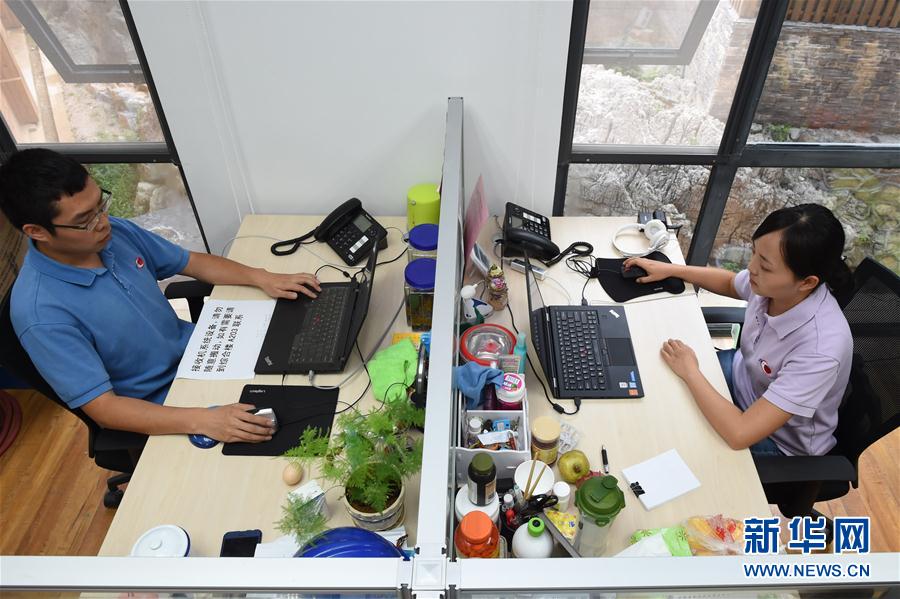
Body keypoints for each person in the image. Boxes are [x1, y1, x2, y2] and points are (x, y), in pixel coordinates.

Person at [0, 149, 322, 443]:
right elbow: (104, 408)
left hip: (203, 354)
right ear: (36, 231)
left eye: (101, 205)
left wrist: (263, 277)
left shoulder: (113, 233)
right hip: (165, 405)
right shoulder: (41, 313)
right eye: (85, 220)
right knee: (291, 431)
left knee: (311, 358)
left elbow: (191, 262)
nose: (103, 222)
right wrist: (203, 419)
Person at [625, 204, 853, 457]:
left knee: (675, 442)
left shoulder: (821, 349)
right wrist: (672, 270)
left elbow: (739, 434)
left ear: (807, 282)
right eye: (754, 253)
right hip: (743, 378)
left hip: (777, 441)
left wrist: (690, 370)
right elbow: (730, 283)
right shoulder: (772, 286)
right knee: (652, 384)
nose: (752, 268)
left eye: (765, 266)